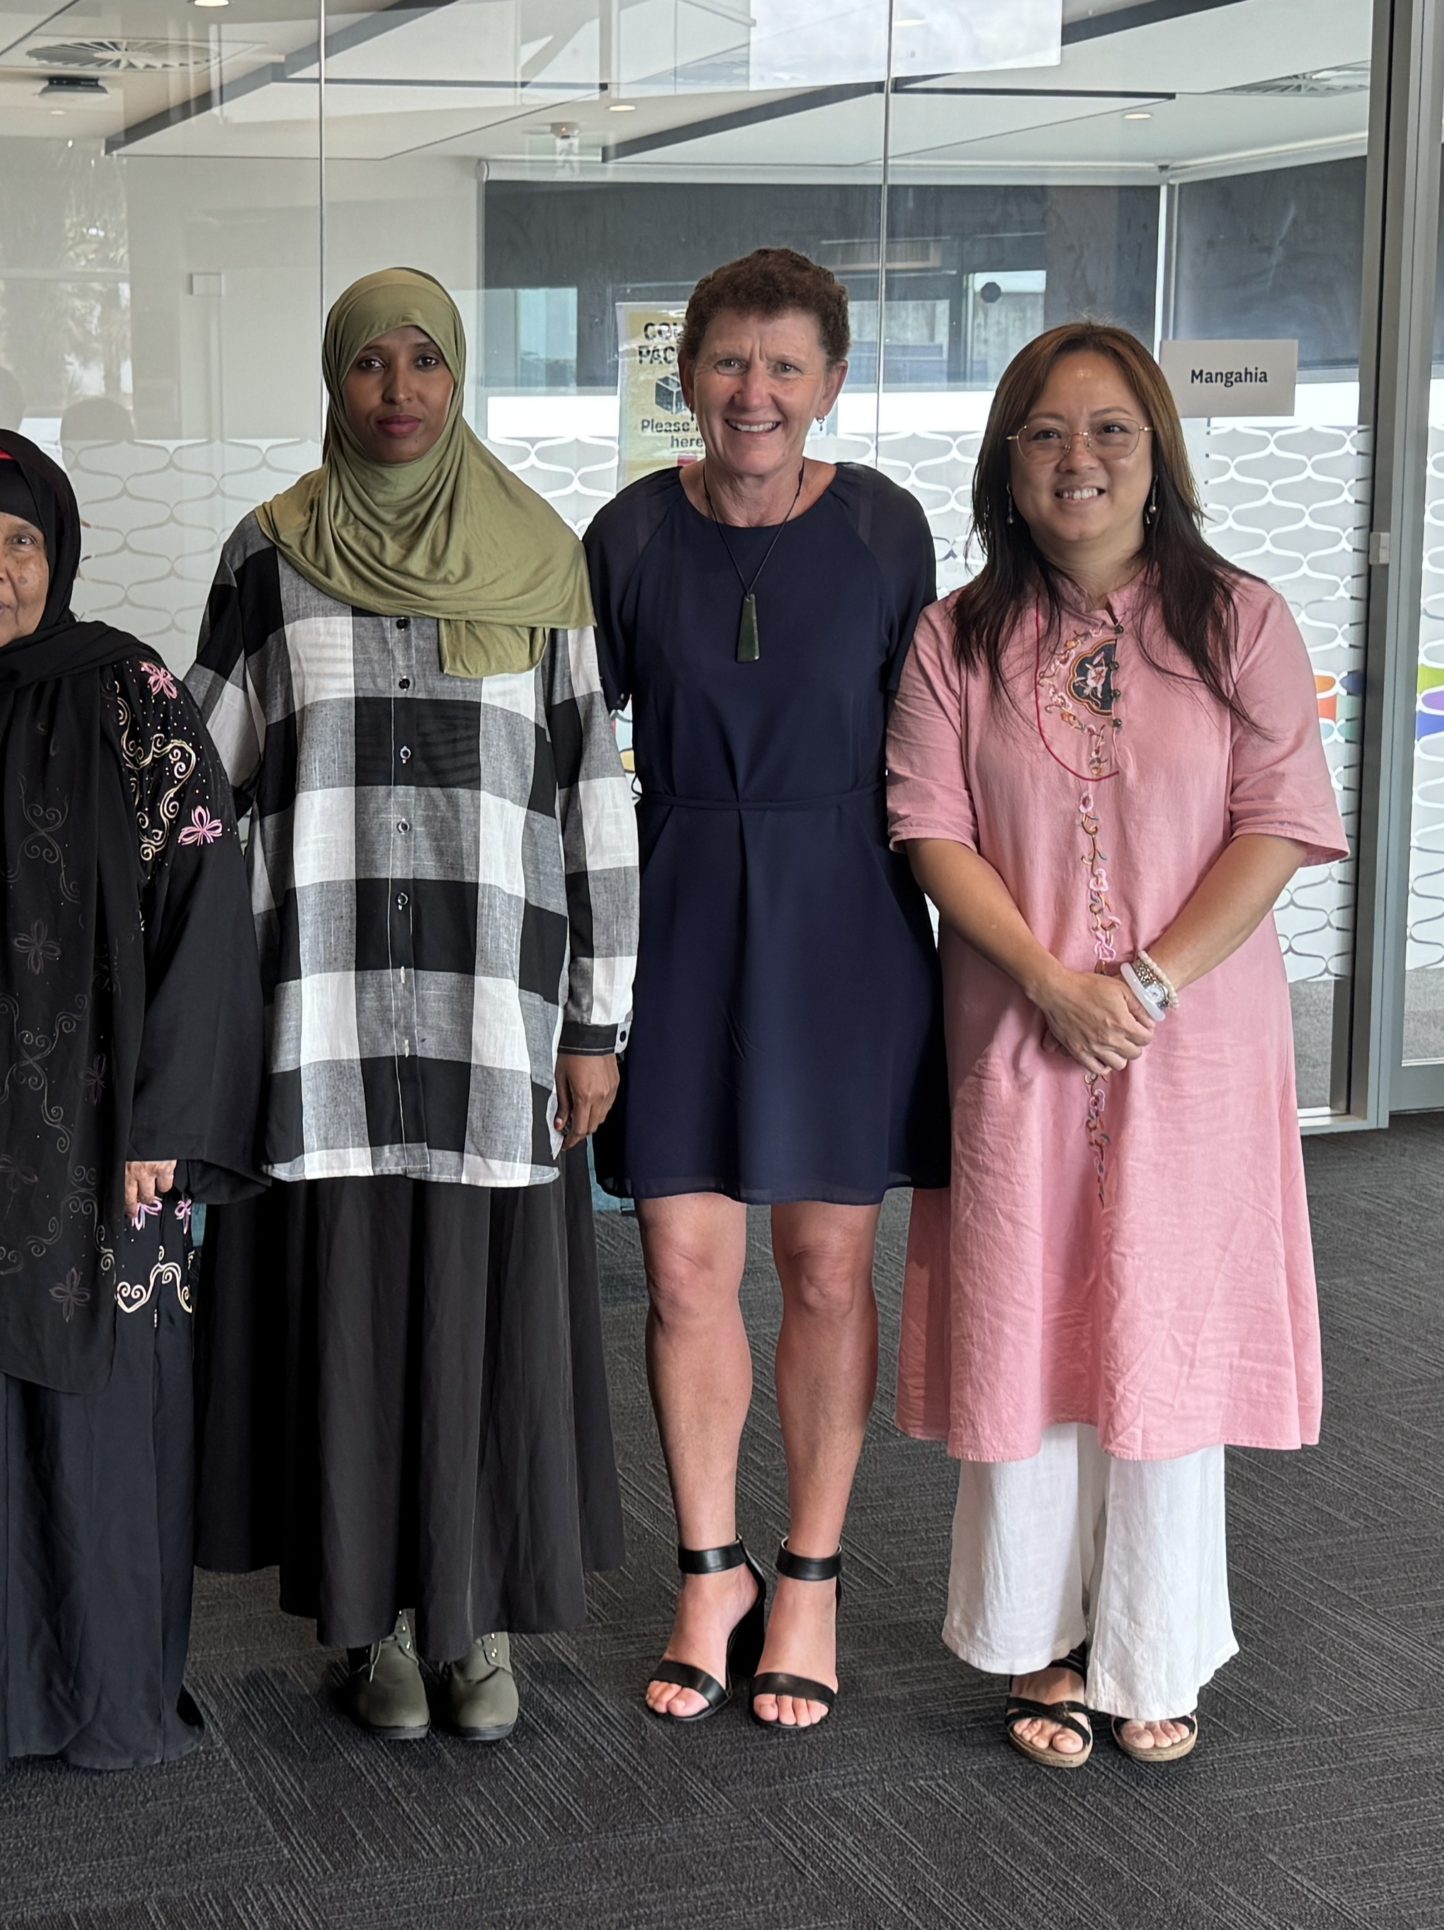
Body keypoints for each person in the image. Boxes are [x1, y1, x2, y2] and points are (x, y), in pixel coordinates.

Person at [886, 323, 1345, 1768]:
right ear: (1006, 463)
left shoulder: (1242, 621)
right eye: (1045, 432)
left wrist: (1141, 981)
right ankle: (1039, 1637)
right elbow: (929, 827)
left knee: (1162, 1321)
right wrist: (1048, 982)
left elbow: (1280, 820)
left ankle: (1152, 1646)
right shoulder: (956, 637)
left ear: (1157, 455)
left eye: (1109, 431)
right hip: (1018, 1037)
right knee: (1029, 1317)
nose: (1076, 459)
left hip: (1190, 1042)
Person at [191, 266, 634, 1744]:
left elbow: (594, 794)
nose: (399, 390)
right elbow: (199, 776)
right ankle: (373, 1619)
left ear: (458, 379)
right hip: (319, 1013)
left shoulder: (541, 560)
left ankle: (475, 1617)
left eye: (425, 361)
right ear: (335, 382)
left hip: (491, 1019)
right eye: (369, 364)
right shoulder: (270, 554)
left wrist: (599, 1021)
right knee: (349, 1321)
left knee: (480, 1323)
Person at [0, 425, 264, 1777]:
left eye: (19, 540)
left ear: (59, 553)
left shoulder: (129, 696)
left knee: (89, 1415)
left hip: (92, 1140)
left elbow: (204, 904)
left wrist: (168, 1123)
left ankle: (96, 1693)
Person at [581, 248, 949, 1731]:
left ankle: (810, 1573)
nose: (756, 392)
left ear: (832, 383)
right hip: (676, 907)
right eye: (731, 361)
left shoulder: (885, 529)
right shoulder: (627, 533)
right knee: (681, 1267)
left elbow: (934, 740)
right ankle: (709, 1571)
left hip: (843, 915)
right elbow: (567, 754)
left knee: (822, 1268)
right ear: (687, 375)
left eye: (787, 365)